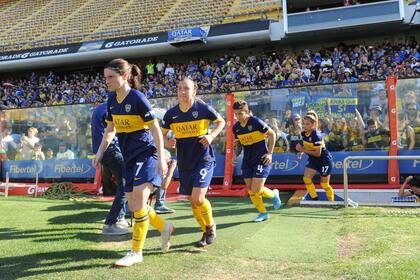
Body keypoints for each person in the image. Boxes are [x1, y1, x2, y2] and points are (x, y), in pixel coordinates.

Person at [93, 58, 173, 267]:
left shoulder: (138, 99)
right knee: (134, 204)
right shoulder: (111, 100)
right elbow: (110, 130)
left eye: (111, 77)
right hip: (128, 156)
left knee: (138, 201)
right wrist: (100, 153)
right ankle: (164, 227)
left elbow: (155, 128)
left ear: (125, 76)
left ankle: (136, 251)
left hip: (146, 154)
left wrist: (161, 155)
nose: (107, 81)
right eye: (105, 78)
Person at [161, 77, 225, 247]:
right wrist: (166, 142)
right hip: (184, 161)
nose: (183, 91)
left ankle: (211, 227)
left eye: (187, 88)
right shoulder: (171, 114)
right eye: (180, 88)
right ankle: (205, 231)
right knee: (192, 200)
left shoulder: (202, 108)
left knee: (198, 197)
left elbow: (221, 121)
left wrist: (211, 136)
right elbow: (161, 132)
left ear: (194, 91)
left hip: (203, 158)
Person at [232, 100, 281, 222]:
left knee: (256, 189)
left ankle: (274, 195)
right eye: (236, 114)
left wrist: (269, 154)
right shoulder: (236, 128)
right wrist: (234, 155)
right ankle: (263, 213)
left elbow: (272, 134)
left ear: (247, 112)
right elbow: (238, 145)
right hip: (247, 161)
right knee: (250, 190)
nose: (238, 116)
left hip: (261, 159)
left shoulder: (255, 122)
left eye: (240, 113)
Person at [91, 102, 128, 236]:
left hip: (104, 151)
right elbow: (111, 131)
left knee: (121, 184)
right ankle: (111, 222)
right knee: (125, 186)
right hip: (111, 150)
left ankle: (119, 218)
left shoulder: (100, 108)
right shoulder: (112, 109)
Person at [296, 111, 335, 201]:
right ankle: (314, 199)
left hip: (324, 160)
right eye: (304, 124)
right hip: (313, 159)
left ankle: (332, 202)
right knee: (306, 179)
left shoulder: (317, 135)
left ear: (313, 125)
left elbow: (318, 153)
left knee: (324, 184)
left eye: (307, 124)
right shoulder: (304, 134)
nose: (305, 126)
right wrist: (301, 152)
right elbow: (307, 145)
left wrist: (302, 150)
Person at [153, 149, 176, 214]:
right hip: (140, 190)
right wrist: (171, 169)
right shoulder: (156, 164)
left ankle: (159, 205)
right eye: (167, 162)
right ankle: (159, 205)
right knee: (162, 180)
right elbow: (164, 186)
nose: (168, 164)